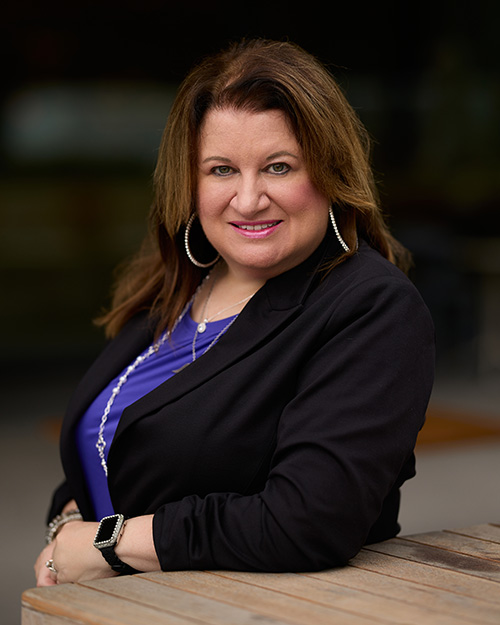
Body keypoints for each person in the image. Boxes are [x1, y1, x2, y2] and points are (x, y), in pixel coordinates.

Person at [34, 38, 434, 586]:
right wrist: (69, 524)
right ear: (190, 182)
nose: (248, 199)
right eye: (221, 170)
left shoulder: (369, 307)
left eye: (278, 166)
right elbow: (114, 444)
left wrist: (108, 544)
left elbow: (309, 520)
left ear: (330, 174)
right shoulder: (174, 289)